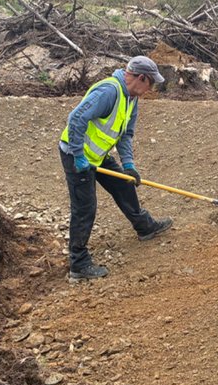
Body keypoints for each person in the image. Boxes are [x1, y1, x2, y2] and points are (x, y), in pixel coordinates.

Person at [58, 55, 173, 281]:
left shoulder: (131, 98)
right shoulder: (109, 91)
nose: (149, 90)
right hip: (76, 155)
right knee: (85, 208)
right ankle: (78, 264)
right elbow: (76, 119)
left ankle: (144, 227)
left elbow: (125, 134)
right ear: (141, 78)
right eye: (150, 84)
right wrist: (79, 156)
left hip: (98, 155)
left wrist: (128, 165)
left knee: (124, 184)